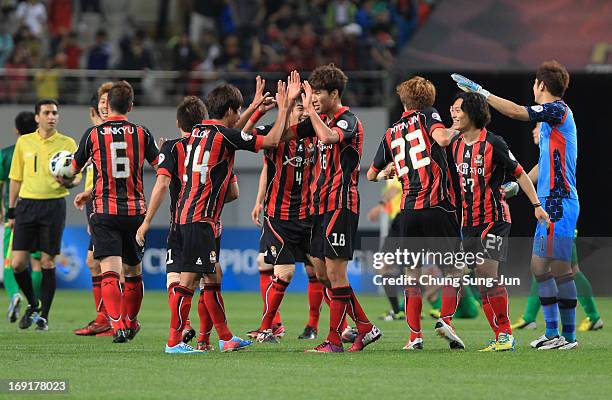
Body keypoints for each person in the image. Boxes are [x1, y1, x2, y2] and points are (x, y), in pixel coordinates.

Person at [136, 79, 291, 353]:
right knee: (189, 281)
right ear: (230, 110)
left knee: (212, 275)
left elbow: (233, 132)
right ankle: (174, 342)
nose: (238, 114)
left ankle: (225, 337)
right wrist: (285, 108)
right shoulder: (223, 135)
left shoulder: (194, 134)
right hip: (201, 218)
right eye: (238, 109)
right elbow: (273, 140)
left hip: (184, 216)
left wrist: (255, 108)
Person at [453, 60, 580, 349]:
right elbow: (543, 164)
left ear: (542, 85)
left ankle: (568, 337)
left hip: (560, 201)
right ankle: (553, 333)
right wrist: (515, 187)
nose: (533, 88)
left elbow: (517, 112)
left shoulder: (557, 110)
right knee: (540, 267)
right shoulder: (551, 124)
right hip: (550, 200)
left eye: (535, 83)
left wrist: (480, 92)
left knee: (558, 268)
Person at [287, 64, 381, 353]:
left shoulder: (348, 121)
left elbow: (328, 137)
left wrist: (309, 109)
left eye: (317, 93)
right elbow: (284, 135)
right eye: (311, 93)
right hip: (320, 206)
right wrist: (287, 105)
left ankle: (333, 340)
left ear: (335, 93)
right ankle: (365, 327)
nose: (313, 98)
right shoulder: (318, 120)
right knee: (323, 274)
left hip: (341, 203)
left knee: (336, 274)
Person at [450, 92, 550, 351]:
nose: (453, 113)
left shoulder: (494, 143)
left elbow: (520, 175)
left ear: (472, 113)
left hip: (494, 219)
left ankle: (506, 335)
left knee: (486, 272)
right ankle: (500, 335)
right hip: (468, 223)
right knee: (480, 283)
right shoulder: (456, 144)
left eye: (458, 109)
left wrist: (537, 205)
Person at [367, 76, 461, 350]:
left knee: (412, 274)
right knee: (454, 269)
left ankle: (414, 337)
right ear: (428, 100)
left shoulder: (391, 131)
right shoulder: (429, 115)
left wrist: (389, 171)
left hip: (408, 210)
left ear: (404, 100)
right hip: (438, 206)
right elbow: (442, 139)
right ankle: (446, 321)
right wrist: (457, 126)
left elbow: (373, 174)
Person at [68, 81, 159, 343]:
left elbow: (73, 168)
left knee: (108, 270)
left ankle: (116, 324)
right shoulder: (141, 133)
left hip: (104, 211)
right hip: (134, 211)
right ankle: (130, 322)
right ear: (130, 105)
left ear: (107, 105)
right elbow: (159, 166)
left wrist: (64, 174)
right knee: (133, 272)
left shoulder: (93, 134)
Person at [243, 72, 321, 343]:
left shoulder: (314, 131)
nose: (301, 112)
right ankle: (271, 325)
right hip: (279, 217)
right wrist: (259, 200)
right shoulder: (272, 132)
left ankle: (314, 326)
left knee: (319, 272)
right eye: (297, 106)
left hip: (310, 216)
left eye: (303, 107)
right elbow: (244, 139)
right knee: (280, 270)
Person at [512, 123, 603, 332]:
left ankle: (585, 321)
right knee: (546, 266)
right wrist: (518, 186)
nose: (534, 131)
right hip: (556, 212)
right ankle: (534, 318)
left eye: (537, 127)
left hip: (560, 213)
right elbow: (538, 170)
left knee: (562, 269)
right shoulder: (549, 153)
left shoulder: (557, 148)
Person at [8, 99, 80, 331]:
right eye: (47, 112)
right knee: (18, 263)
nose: (52, 116)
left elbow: (77, 176)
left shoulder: (67, 143)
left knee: (48, 262)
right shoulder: (24, 143)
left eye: (55, 113)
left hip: (53, 206)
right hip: (27, 206)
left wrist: (69, 181)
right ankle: (33, 302)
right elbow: (15, 178)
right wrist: (11, 210)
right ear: (37, 117)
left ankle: (44, 316)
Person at [73, 82, 115, 336]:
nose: (104, 105)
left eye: (109, 102)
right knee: (95, 262)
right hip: (96, 201)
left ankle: (114, 319)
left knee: (106, 263)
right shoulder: (94, 134)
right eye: (101, 102)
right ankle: (108, 318)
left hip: (108, 202)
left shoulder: (108, 135)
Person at [0, 111, 43, 323]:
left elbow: (2, 184)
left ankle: (16, 295)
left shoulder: (7, 154)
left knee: (11, 261)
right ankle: (33, 304)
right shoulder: (39, 149)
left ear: (16, 130)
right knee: (37, 263)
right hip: (41, 211)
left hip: (16, 214)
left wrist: (5, 209)